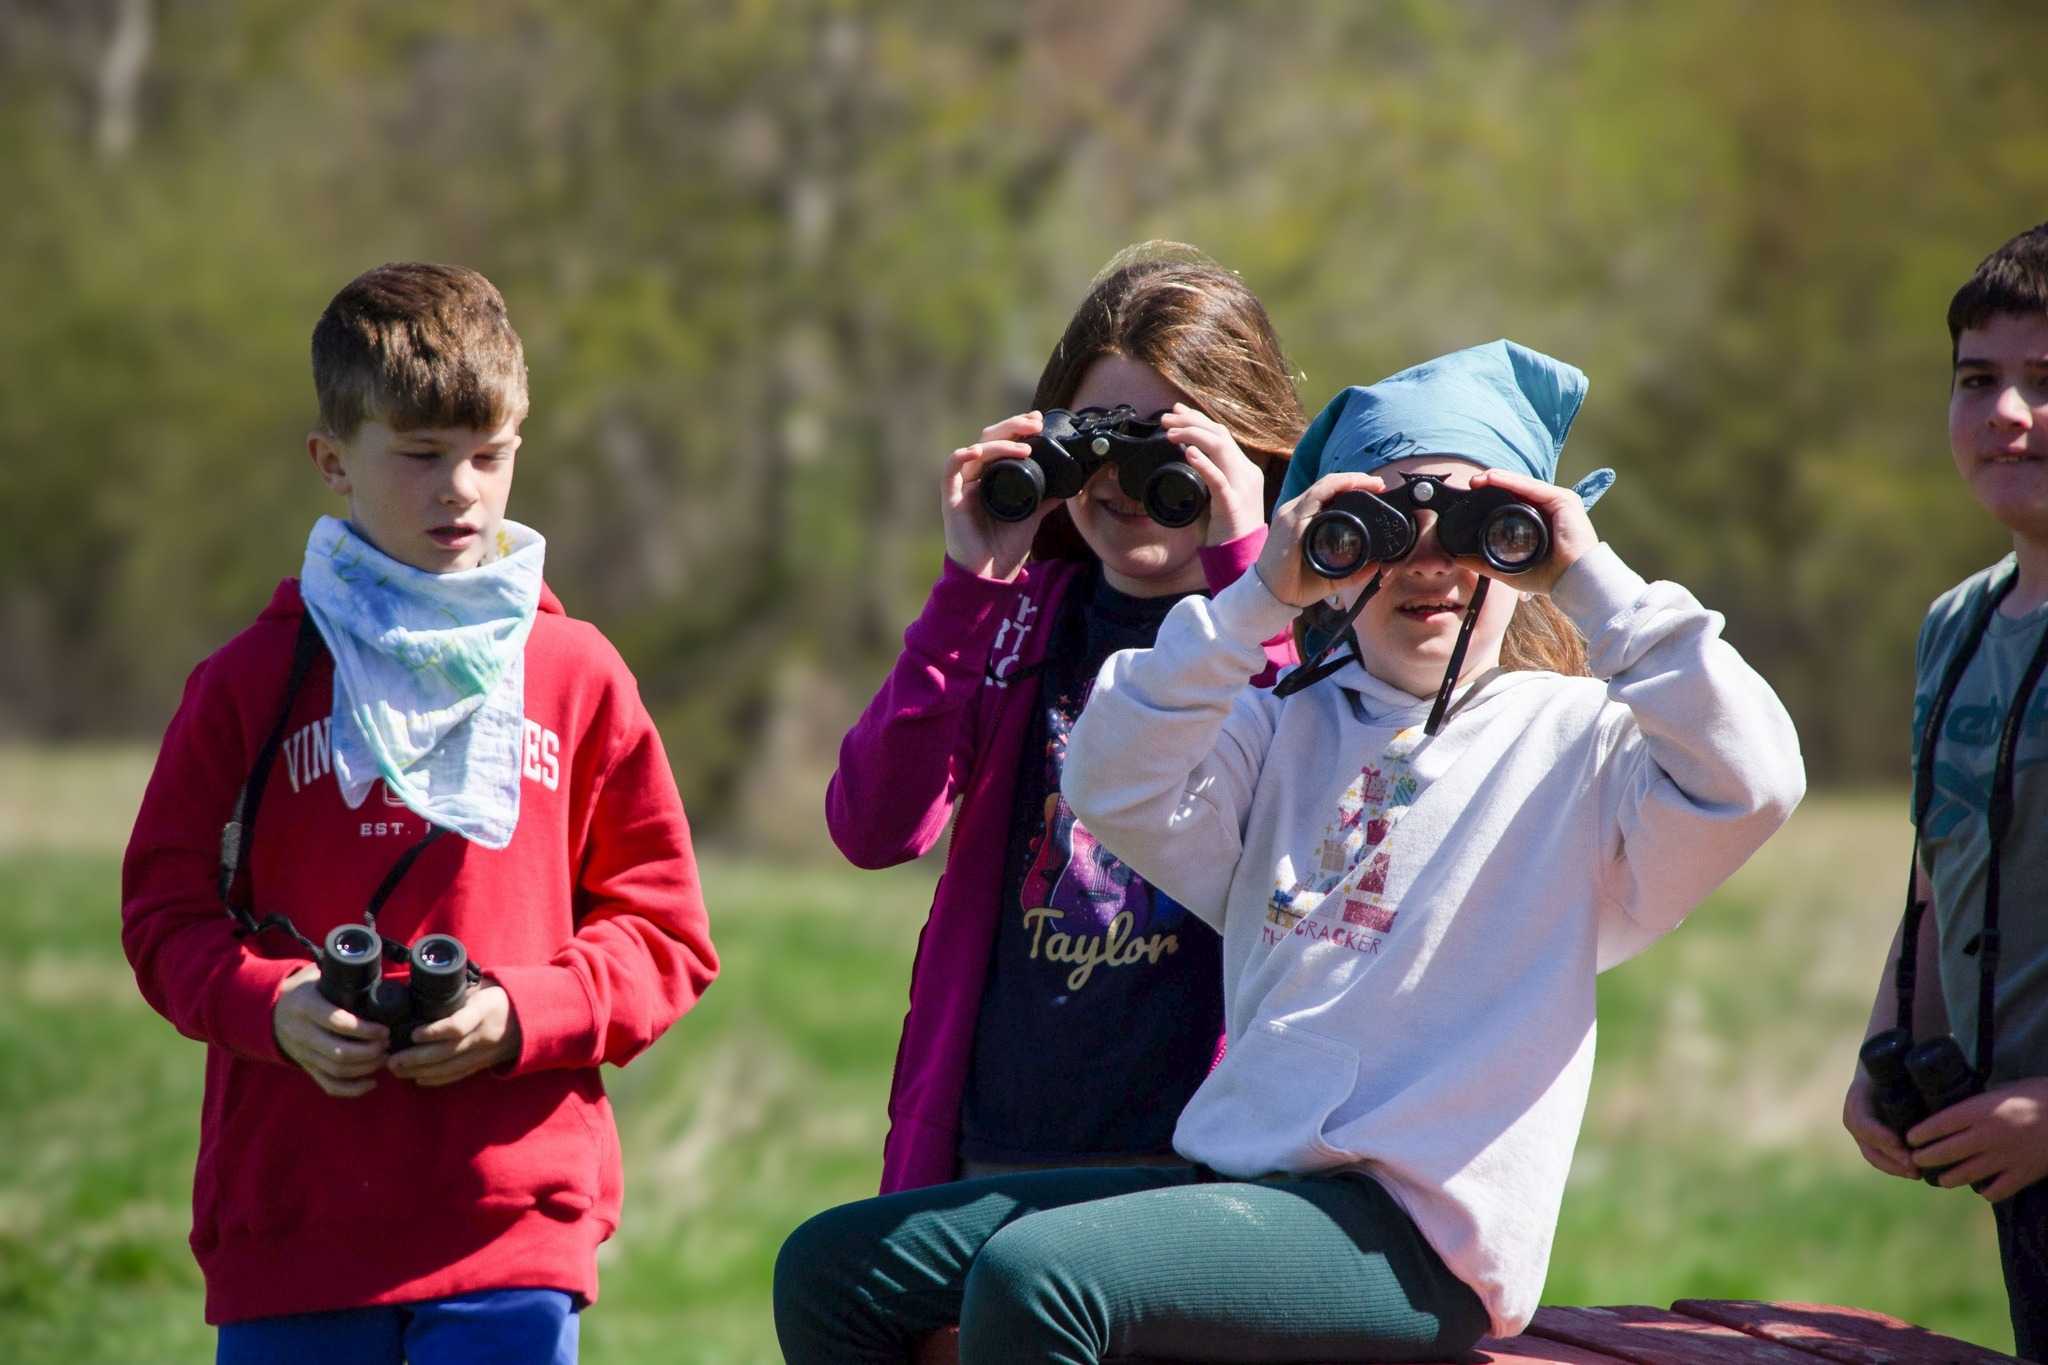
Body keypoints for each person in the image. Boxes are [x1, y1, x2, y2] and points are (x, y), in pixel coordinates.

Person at [777, 340, 1804, 1364]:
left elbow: (1753, 777)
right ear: (1332, 551)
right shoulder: (1281, 727)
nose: (1429, 563)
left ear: (1523, 547)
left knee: (1039, 1282)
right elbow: (1109, 773)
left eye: (1475, 529)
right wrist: (1258, 597)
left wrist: (1591, 581)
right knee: (835, 1268)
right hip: (1240, 1188)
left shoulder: (1582, 750)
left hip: (1414, 1235)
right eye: (1382, 530)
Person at [121, 262, 718, 1364]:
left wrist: (521, 1016)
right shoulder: (249, 683)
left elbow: (666, 934)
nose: (462, 492)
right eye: (420, 456)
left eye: (489, 456)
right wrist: (273, 1004)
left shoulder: (576, 675)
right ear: (331, 461)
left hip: (510, 1221)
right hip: (294, 1224)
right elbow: (161, 914)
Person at [826, 243, 1307, 1191]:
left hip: (1194, 1156)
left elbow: (1309, 817)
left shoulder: (1308, 627)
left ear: (1244, 450)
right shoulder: (1016, 619)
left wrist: (1251, 570)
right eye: (1099, 434)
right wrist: (971, 590)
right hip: (994, 1137)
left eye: (1170, 441)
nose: (1127, 477)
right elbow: (874, 827)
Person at [1843, 222, 2048, 1361]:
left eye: (2046, 382)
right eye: (1978, 380)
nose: (2005, 415)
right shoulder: (1953, 623)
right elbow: (1939, 863)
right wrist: (1888, 1044)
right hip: (2011, 1172)